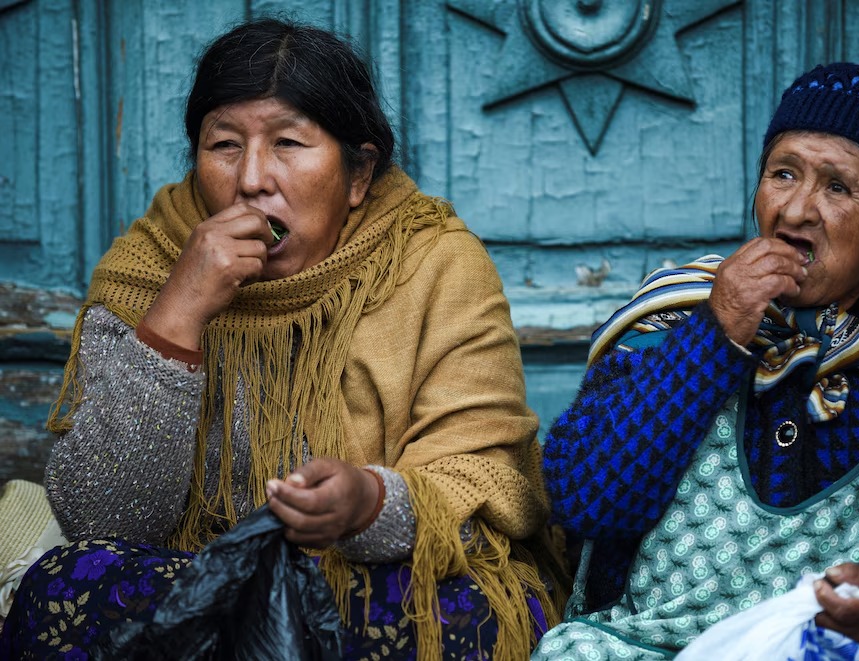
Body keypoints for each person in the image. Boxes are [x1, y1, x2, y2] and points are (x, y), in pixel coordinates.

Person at [0, 18, 564, 659]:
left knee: (464, 615)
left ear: (358, 173)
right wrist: (178, 314)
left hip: (372, 583)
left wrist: (368, 503)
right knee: (60, 587)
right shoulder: (150, 266)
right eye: (224, 145)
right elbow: (102, 523)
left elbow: (488, 484)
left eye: (288, 142)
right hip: (196, 578)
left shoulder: (436, 264)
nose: (251, 180)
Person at [533, 62, 859, 659]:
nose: (795, 211)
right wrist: (716, 335)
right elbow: (582, 499)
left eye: (837, 187)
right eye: (783, 174)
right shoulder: (678, 319)